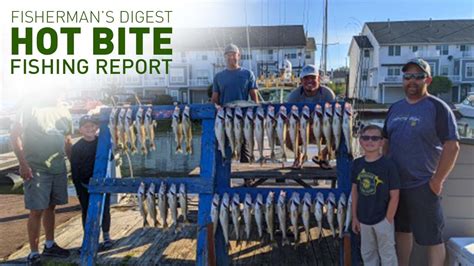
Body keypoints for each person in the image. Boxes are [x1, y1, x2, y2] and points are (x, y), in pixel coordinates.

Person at [382, 58, 460, 266]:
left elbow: (452, 147)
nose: (412, 81)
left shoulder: (438, 107)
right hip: (396, 186)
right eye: (408, 76)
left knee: (432, 238)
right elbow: (386, 142)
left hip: (423, 185)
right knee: (401, 232)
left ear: (428, 80)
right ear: (403, 80)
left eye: (418, 76)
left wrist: (437, 181)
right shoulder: (395, 108)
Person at [10, 95, 73, 265]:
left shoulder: (64, 109)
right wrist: (22, 164)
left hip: (59, 167)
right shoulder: (29, 107)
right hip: (36, 167)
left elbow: (67, 139)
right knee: (36, 209)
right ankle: (33, 253)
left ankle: (50, 245)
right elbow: (15, 136)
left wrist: (73, 163)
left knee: (51, 207)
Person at [351, 125, 400, 266]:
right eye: (366, 137)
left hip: (383, 219)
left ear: (381, 142)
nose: (370, 141)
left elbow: (395, 195)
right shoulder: (357, 164)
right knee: (367, 253)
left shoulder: (389, 165)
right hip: (363, 219)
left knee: (387, 254)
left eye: (375, 138)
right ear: (360, 141)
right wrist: (355, 217)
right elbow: (355, 191)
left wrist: (388, 219)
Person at [71, 115, 112, 251]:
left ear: (97, 128)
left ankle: (106, 237)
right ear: (80, 129)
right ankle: (88, 237)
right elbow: (74, 170)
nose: (90, 128)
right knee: (87, 212)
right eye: (86, 126)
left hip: (102, 183)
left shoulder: (103, 142)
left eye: (92, 126)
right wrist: (78, 188)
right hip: (85, 185)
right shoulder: (77, 147)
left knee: (105, 210)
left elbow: (110, 157)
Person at [211, 43, 259, 163]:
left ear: (239, 56)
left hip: (244, 118)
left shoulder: (248, 74)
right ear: (224, 57)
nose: (231, 57)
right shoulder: (218, 76)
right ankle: (223, 180)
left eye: (233, 54)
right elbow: (214, 99)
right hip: (224, 119)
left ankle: (248, 180)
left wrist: (255, 113)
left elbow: (254, 97)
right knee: (224, 148)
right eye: (228, 55)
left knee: (245, 150)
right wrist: (216, 107)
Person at [286, 64, 336, 169]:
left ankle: (322, 156)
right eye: (306, 78)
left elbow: (333, 117)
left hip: (322, 128)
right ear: (301, 80)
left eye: (313, 78)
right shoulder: (294, 95)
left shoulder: (328, 94)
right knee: (287, 134)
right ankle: (298, 156)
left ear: (319, 78)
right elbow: (290, 118)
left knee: (338, 133)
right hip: (302, 128)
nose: (309, 81)